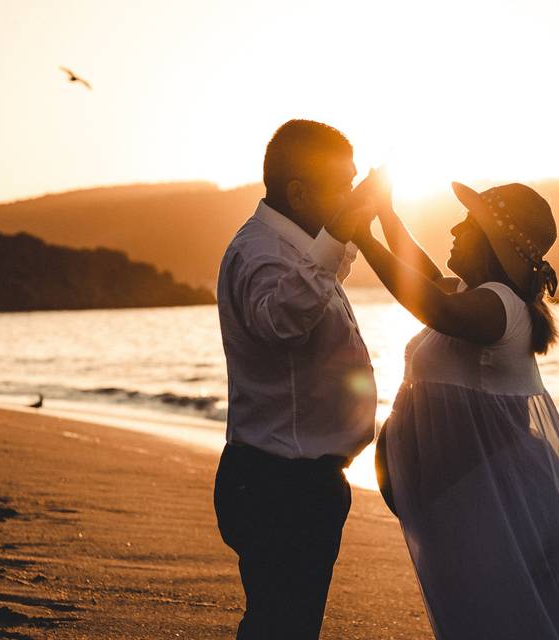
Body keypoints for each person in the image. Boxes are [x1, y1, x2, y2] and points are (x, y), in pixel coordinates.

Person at [356, 180, 559, 639]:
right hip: (477, 498)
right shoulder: (478, 294)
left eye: (469, 223)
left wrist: (363, 237)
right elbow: (426, 278)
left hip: (500, 502)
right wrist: (386, 215)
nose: (455, 228)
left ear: (493, 241)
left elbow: (433, 306)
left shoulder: (502, 306)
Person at [213, 119, 378, 639]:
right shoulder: (257, 252)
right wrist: (335, 239)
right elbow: (279, 320)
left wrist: (343, 235)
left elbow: (309, 290)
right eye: (342, 186)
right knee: (281, 627)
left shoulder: (296, 252)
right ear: (299, 193)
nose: (350, 195)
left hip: (297, 479)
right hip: (276, 484)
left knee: (288, 625)